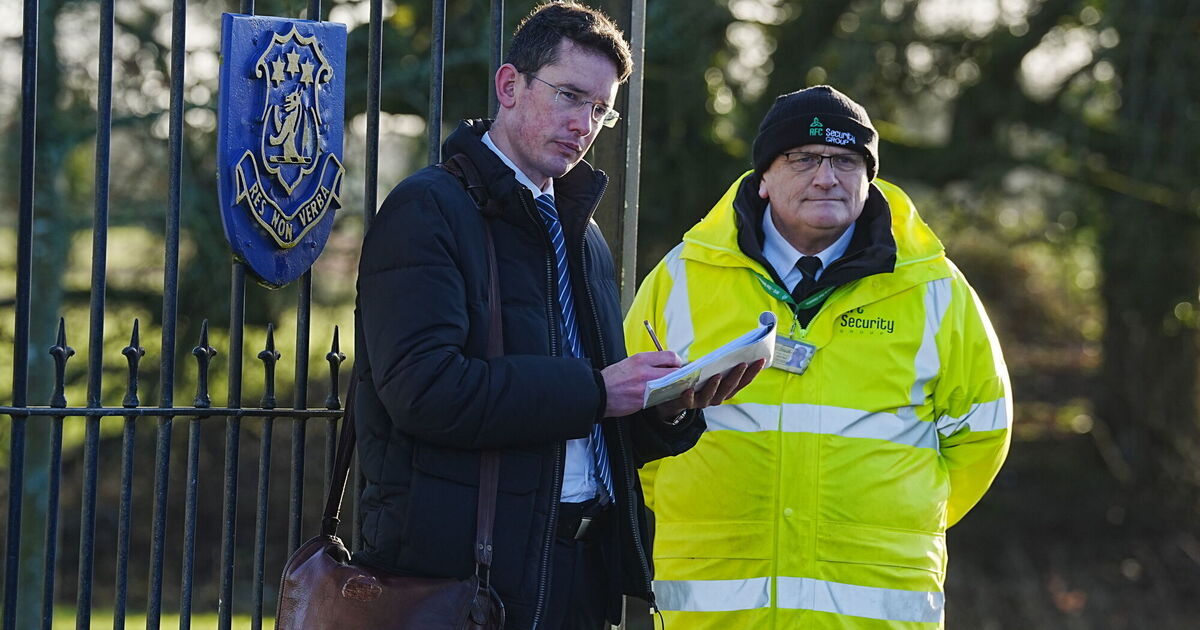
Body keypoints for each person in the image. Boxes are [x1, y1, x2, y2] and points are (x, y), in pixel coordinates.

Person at [352, 3, 762, 629]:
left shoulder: (583, 234)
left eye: (601, 109)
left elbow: (590, 428)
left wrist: (668, 406)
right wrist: (598, 390)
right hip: (464, 578)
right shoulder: (428, 209)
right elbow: (424, 392)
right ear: (509, 86)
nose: (584, 124)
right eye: (569, 96)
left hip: (579, 569)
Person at [624, 85, 1012, 629]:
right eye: (803, 159)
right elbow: (630, 417)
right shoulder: (682, 277)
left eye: (845, 161)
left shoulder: (934, 288)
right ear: (763, 177)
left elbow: (982, 433)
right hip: (715, 605)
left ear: (868, 179)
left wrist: (899, 515)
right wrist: (687, 503)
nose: (826, 177)